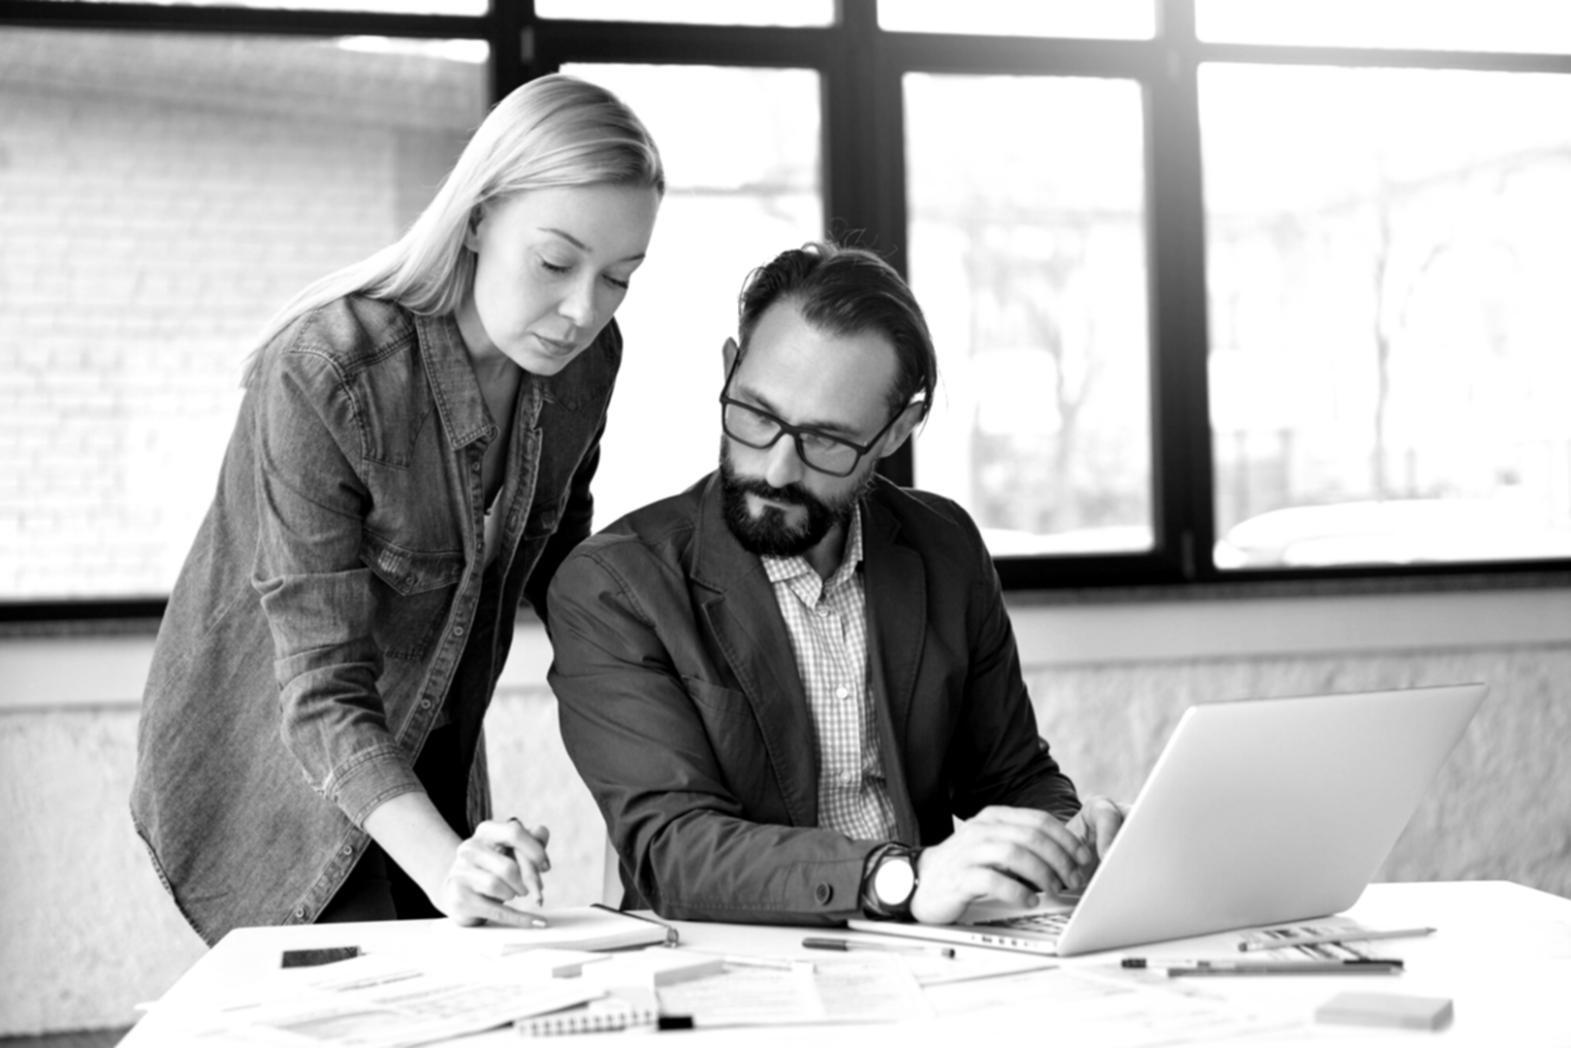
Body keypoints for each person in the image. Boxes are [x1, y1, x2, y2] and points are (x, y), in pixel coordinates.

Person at [130, 73, 663, 944]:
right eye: (557, 262)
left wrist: (664, 711)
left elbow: (566, 565)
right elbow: (319, 689)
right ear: (481, 214)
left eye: (619, 279)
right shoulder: (326, 372)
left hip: (433, 745)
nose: (581, 312)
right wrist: (447, 862)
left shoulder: (585, 366)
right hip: (281, 774)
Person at [547, 241, 1123, 927]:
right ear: (730, 369)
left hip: (935, 956)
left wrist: (1064, 841)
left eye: (827, 440)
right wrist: (901, 880)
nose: (778, 468)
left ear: (894, 431)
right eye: (756, 415)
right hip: (733, 966)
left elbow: (1010, 775)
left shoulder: (944, 547)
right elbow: (675, 852)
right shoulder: (616, 586)